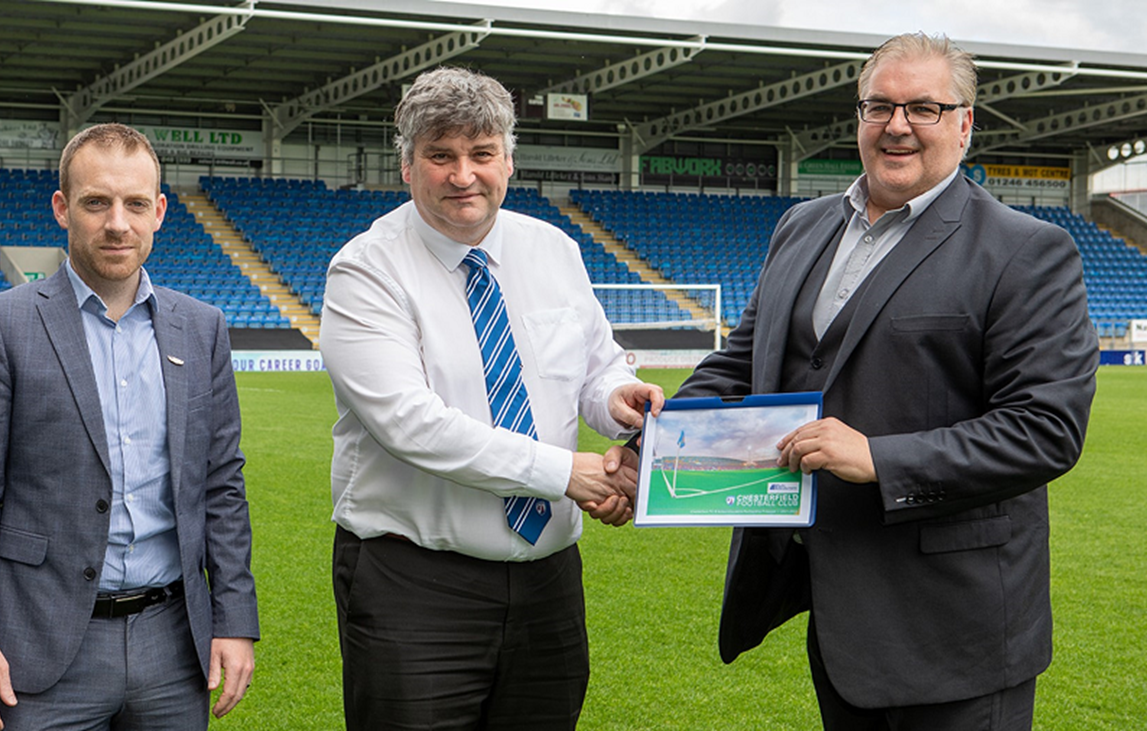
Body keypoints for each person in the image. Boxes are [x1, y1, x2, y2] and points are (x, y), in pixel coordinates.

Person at [665, 33, 1098, 729]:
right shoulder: (800, 227)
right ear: (858, 117)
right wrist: (655, 439)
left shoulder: (1023, 249)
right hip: (836, 611)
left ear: (964, 123)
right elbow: (743, 361)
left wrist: (879, 458)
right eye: (880, 106)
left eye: (924, 107)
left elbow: (1044, 430)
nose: (897, 125)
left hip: (954, 626)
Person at [319, 66, 664, 730]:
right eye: (440, 155)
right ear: (407, 166)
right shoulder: (365, 269)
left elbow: (593, 367)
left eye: (481, 154)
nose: (463, 174)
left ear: (508, 159)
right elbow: (409, 422)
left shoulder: (554, 250)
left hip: (547, 580)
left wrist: (618, 395)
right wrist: (568, 473)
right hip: (414, 583)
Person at [0, 123, 259, 731]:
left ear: (160, 211)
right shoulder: (1, 325)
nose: (118, 223)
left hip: (174, 644)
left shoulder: (203, 326)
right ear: (63, 208)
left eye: (136, 203)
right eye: (96, 202)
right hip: (44, 638)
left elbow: (222, 485)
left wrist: (236, 620)